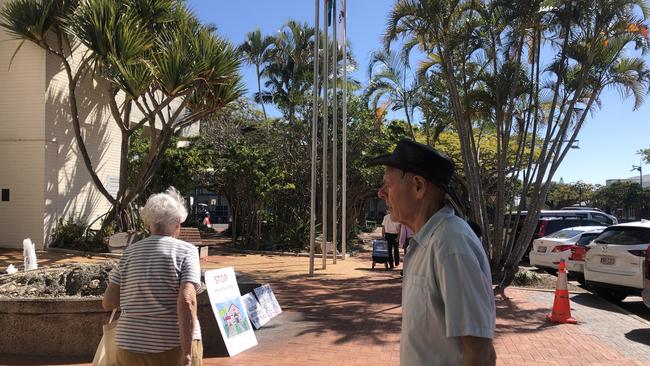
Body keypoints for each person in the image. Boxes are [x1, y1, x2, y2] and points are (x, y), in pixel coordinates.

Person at [369, 139, 496, 366]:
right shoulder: (429, 241)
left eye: (388, 185)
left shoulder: (451, 244)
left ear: (418, 186)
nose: (381, 193)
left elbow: (481, 354)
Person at [103, 187, 203, 366]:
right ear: (178, 222)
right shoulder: (187, 251)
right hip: (173, 347)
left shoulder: (129, 253)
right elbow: (187, 300)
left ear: (149, 223)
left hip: (129, 347)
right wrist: (187, 354)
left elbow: (109, 302)